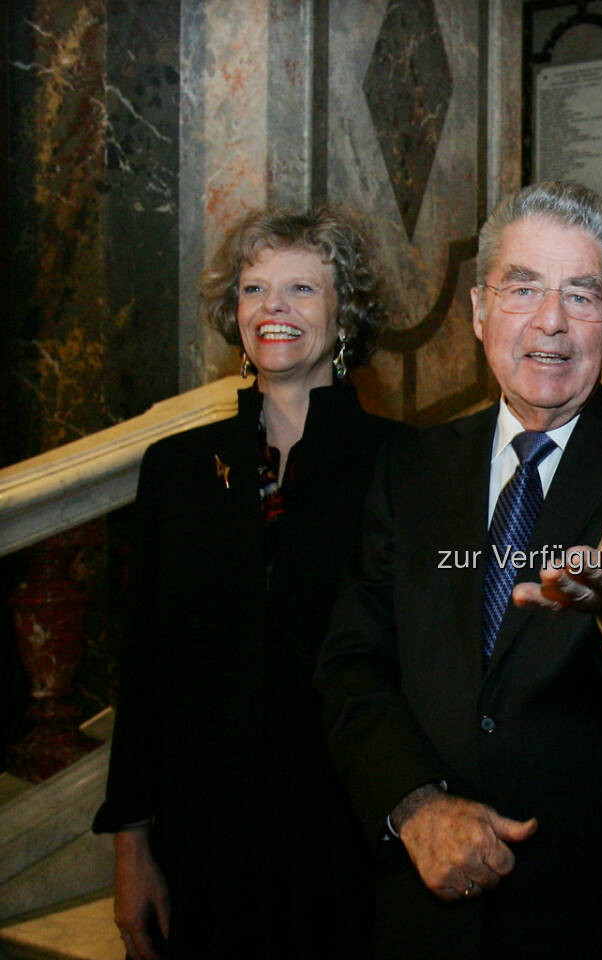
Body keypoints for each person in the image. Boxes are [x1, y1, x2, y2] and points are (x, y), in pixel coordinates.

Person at [315, 180, 602, 959]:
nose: (551, 321)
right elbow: (351, 660)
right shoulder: (408, 468)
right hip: (425, 907)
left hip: (598, 910)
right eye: (523, 288)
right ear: (479, 311)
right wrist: (414, 806)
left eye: (582, 295)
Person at [94, 208, 406, 959]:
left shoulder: (408, 466)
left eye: (302, 287)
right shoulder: (174, 469)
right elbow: (144, 672)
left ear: (345, 312)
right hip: (203, 846)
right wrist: (131, 847)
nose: (273, 308)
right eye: (253, 288)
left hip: (351, 844)